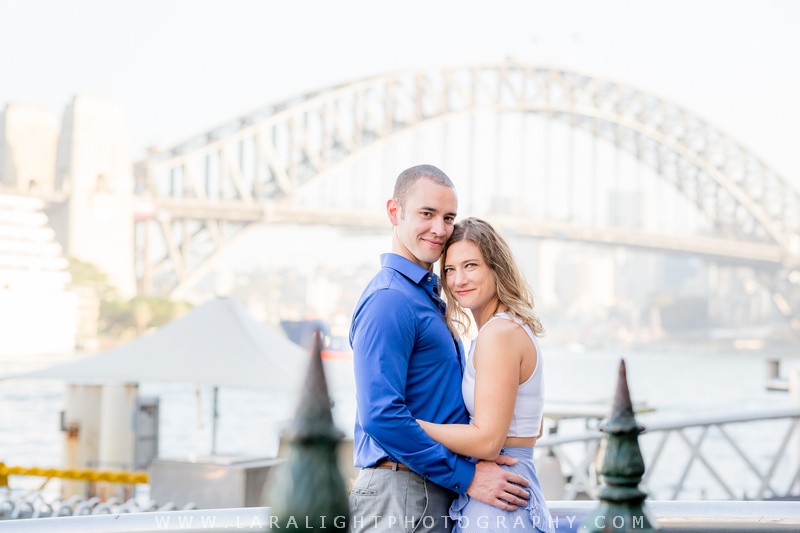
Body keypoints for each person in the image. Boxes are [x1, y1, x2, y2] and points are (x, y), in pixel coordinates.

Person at [349, 165, 531, 532]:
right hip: (401, 494)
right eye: (426, 214)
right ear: (394, 212)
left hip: (424, 491)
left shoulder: (422, 297)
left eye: (448, 217)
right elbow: (381, 416)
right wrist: (466, 477)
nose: (440, 229)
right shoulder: (390, 300)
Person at [417, 217, 554, 532]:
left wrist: (411, 425)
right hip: (513, 487)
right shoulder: (511, 327)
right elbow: (536, 427)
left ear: (496, 268)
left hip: (500, 503)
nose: (458, 280)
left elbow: (489, 442)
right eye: (450, 270)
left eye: (471, 266)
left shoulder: (499, 334)